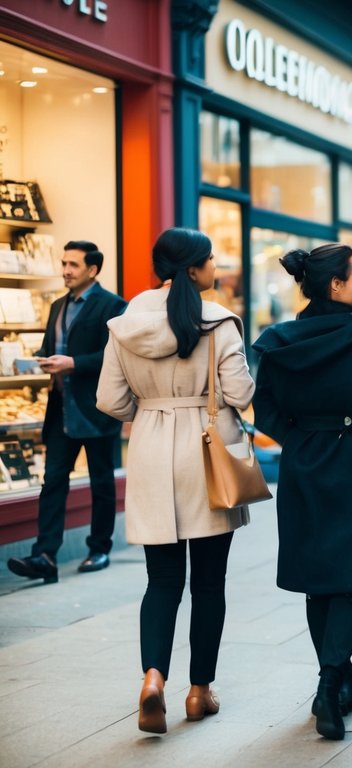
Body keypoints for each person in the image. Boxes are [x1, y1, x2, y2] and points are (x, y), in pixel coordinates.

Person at [96, 228, 254, 733]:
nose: (215, 265)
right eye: (209, 259)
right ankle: (199, 691)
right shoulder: (220, 322)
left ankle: (153, 680)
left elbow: (110, 401)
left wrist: (150, 409)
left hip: (149, 449)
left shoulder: (125, 325)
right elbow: (239, 390)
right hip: (207, 454)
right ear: (192, 269)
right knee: (209, 584)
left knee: (161, 581)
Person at [252, 243, 352, 741]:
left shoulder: (279, 340)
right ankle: (330, 680)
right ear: (335, 285)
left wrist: (299, 438)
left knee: (320, 578)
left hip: (304, 465)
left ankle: (337, 676)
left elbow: (265, 407)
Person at [7, 241, 127, 584]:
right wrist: (42, 360)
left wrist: (73, 363)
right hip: (60, 408)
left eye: (73, 265)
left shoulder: (114, 305)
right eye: (63, 263)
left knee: (102, 482)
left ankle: (99, 547)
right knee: (53, 481)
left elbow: (116, 356)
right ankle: (45, 554)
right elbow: (51, 348)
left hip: (96, 408)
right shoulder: (58, 305)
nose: (65, 270)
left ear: (93, 269)